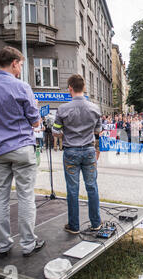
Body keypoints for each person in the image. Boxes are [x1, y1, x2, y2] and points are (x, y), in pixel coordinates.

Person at [0, 46, 44, 258]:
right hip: (21, 146)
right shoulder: (22, 87)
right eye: (21, 65)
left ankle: (3, 245)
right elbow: (35, 121)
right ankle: (27, 243)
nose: (20, 70)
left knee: (0, 197)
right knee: (25, 196)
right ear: (14, 63)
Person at [52, 74, 102, 234]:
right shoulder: (95, 108)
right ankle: (96, 223)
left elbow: (55, 131)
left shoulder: (62, 109)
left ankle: (74, 225)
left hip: (71, 151)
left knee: (72, 190)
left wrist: (65, 133)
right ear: (84, 88)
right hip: (88, 150)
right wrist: (97, 149)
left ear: (70, 89)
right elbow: (97, 131)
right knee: (92, 187)